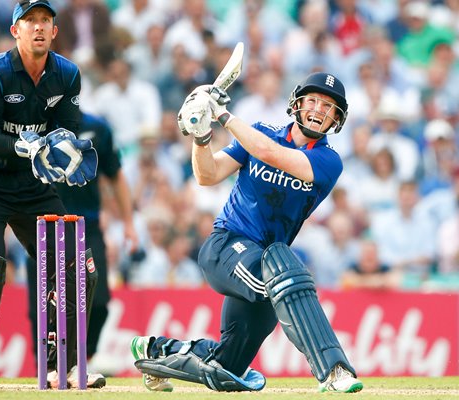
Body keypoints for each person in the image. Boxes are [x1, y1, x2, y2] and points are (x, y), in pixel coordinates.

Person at [130, 72, 363, 393]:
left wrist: (223, 115)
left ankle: (156, 351)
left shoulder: (328, 160)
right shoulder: (258, 133)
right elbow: (207, 175)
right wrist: (201, 138)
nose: (319, 109)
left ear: (337, 118)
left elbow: (272, 155)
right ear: (296, 104)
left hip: (267, 262)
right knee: (285, 265)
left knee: (227, 369)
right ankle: (333, 369)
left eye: (328, 106)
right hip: (226, 247)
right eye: (313, 100)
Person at [0, 0, 99, 389]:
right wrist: (27, 146)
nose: (38, 27)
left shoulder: (67, 74)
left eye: (45, 21)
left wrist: (64, 155)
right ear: (15, 30)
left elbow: (66, 128)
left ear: (54, 31)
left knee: (77, 268)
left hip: (34, 186)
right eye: (29, 20)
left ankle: (62, 367)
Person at [26, 110, 138, 384]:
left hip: (86, 226)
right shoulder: (32, 125)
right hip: (41, 225)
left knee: (98, 300)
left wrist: (128, 223)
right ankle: (48, 368)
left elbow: (115, 174)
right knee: (41, 305)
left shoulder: (97, 128)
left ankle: (80, 361)